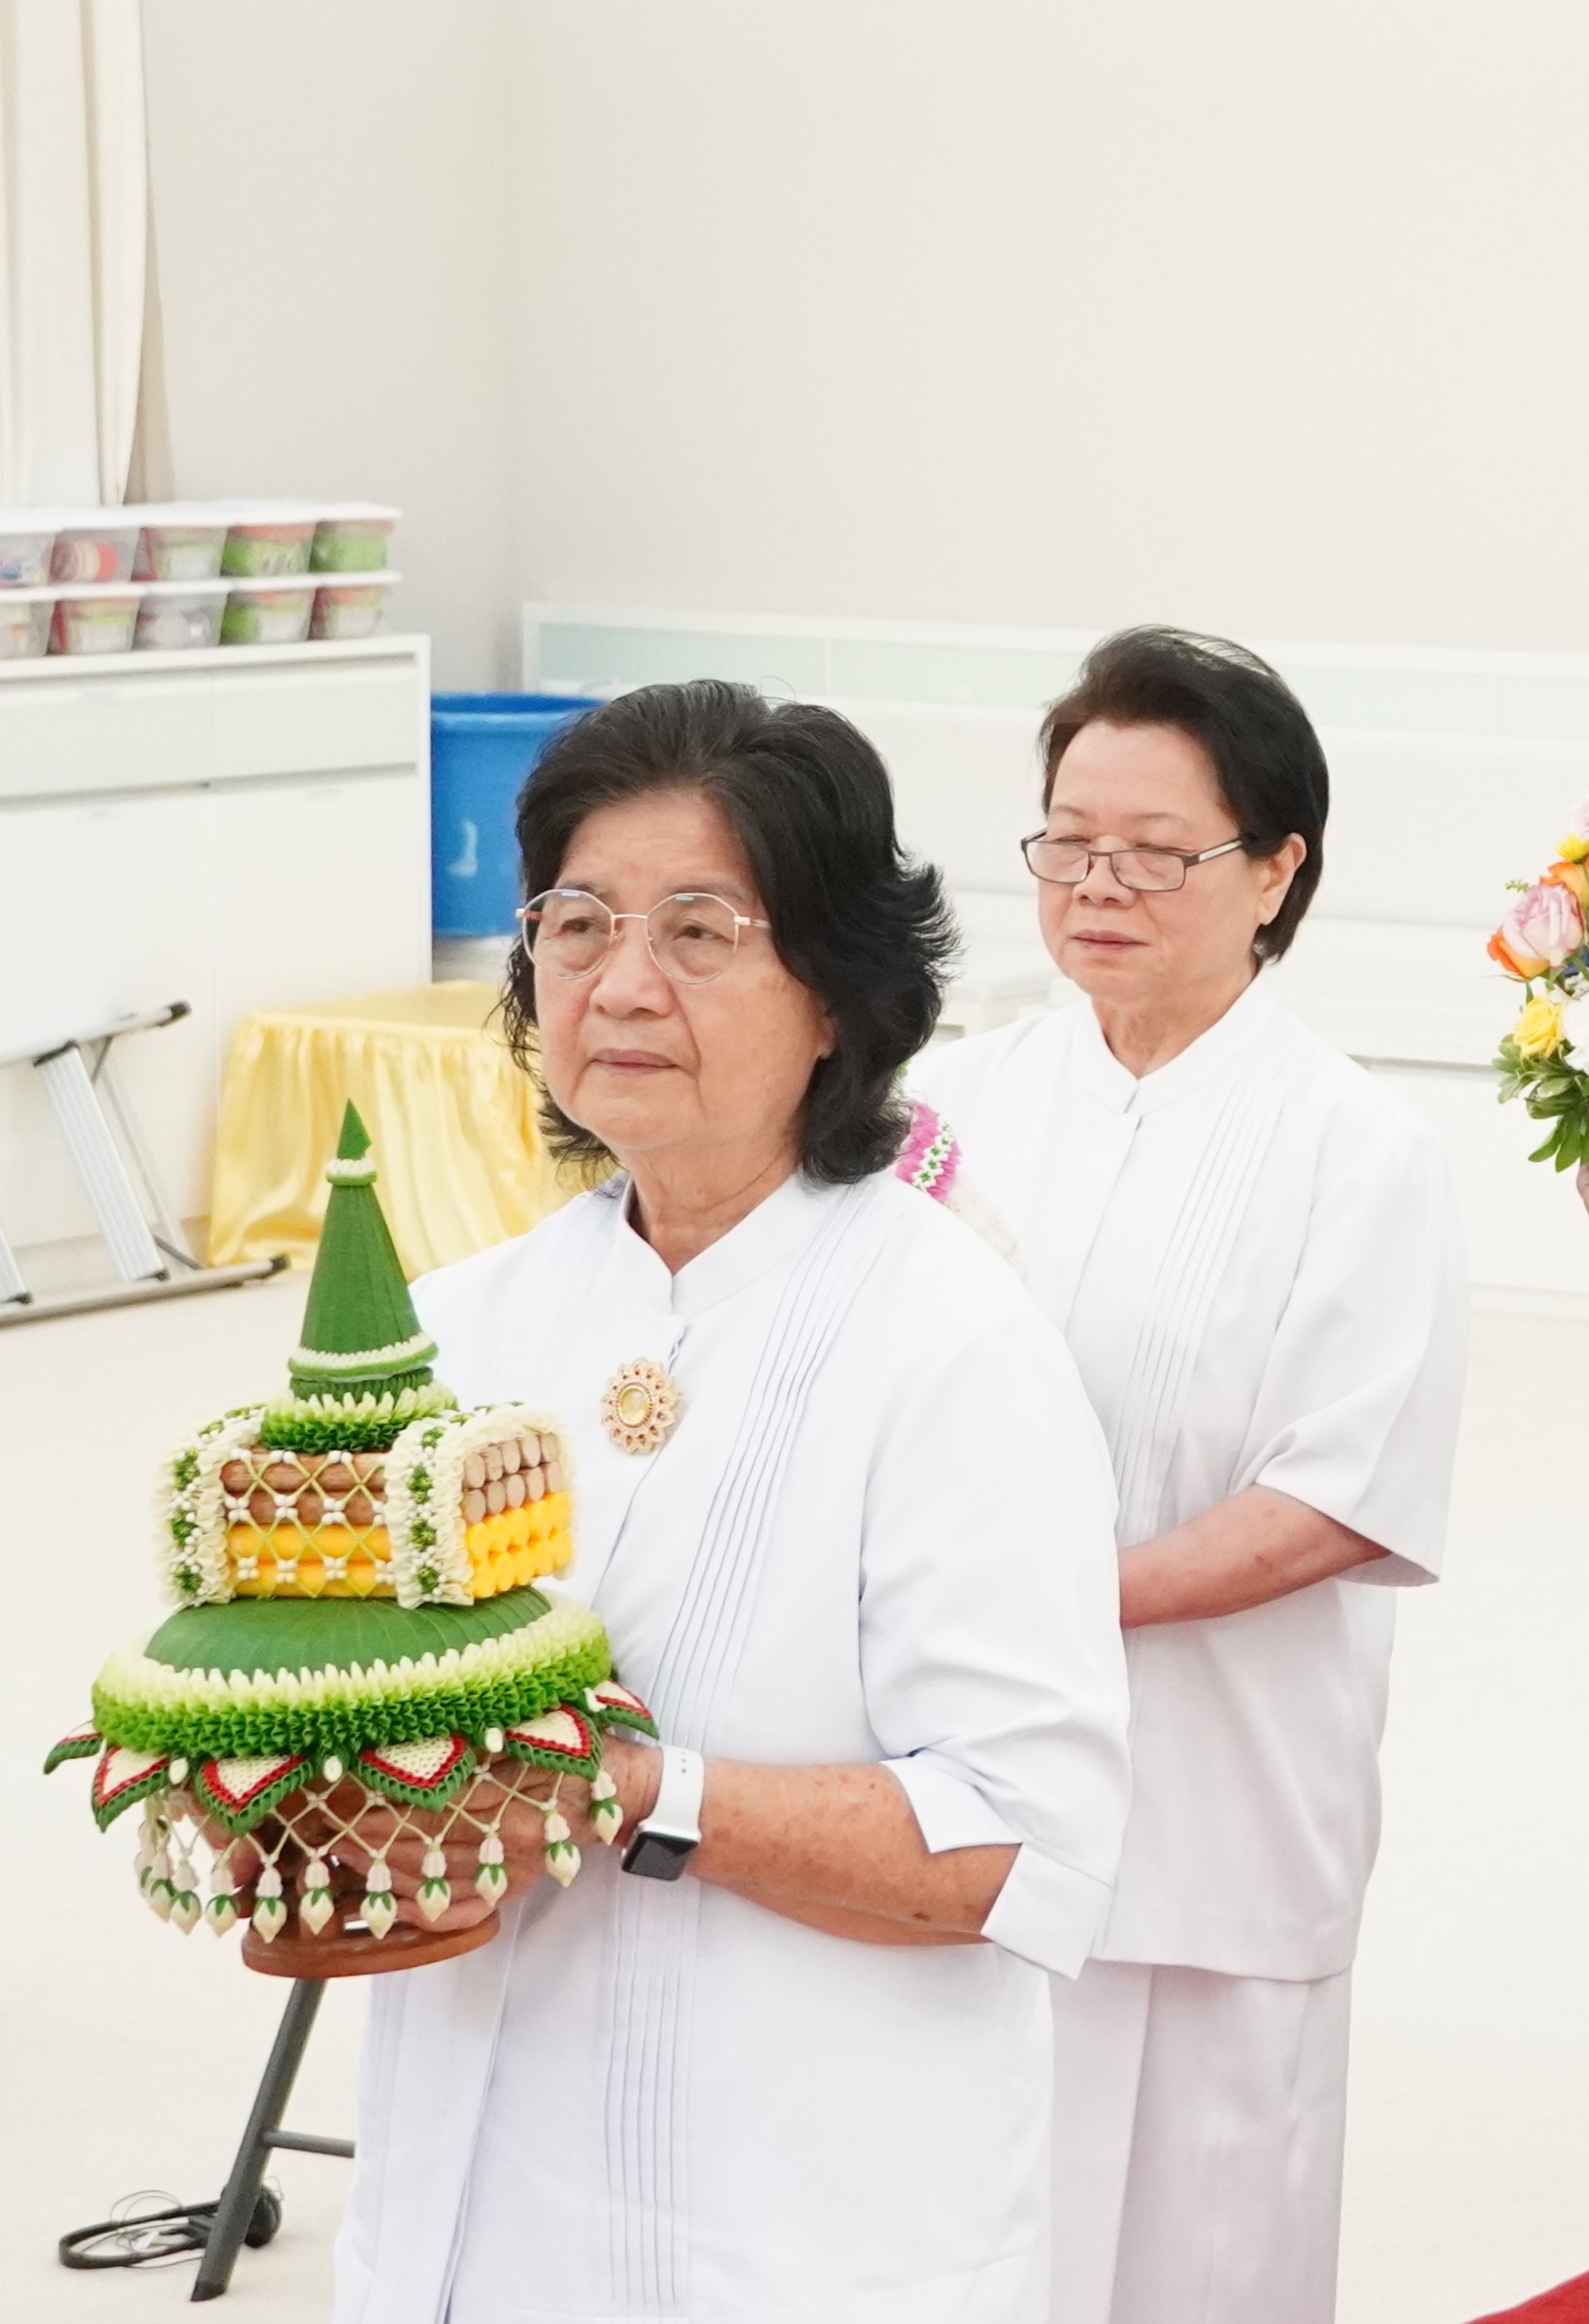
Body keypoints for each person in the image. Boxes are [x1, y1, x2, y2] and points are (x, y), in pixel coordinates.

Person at [342, 682, 1128, 2324]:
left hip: (810, 2216)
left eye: (700, 931)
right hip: (484, 2203)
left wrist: (636, 1787)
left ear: (839, 991)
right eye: (578, 921)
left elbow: (1015, 1849)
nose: (620, 983)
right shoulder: (463, 1325)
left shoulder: (953, 1343)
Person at [909, 628, 1472, 2324]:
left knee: (1206, 2251)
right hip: (971, 1784)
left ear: (1277, 868)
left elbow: (1337, 1498)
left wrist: (1050, 1599)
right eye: (1069, 840)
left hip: (1223, 1798)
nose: (1100, 883)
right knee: (985, 2230)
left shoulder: (1355, 1148)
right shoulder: (950, 1099)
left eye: (1157, 850)